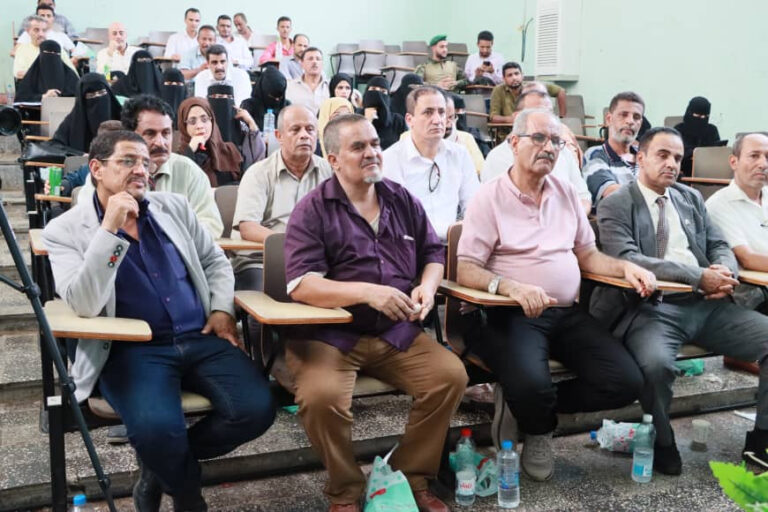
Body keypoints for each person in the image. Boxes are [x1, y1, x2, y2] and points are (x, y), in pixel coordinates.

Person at [42, 129, 275, 511]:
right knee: (156, 430)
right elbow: (84, 303)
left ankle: (157, 467)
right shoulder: (64, 230)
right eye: (128, 161)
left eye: (145, 163)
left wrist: (221, 309)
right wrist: (109, 230)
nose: (141, 170)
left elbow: (215, 261)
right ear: (96, 169)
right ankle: (187, 495)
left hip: (198, 336)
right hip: (132, 350)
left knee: (256, 409)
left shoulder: (173, 207)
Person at [284, 113, 467, 512]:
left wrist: (427, 287)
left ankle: (407, 477)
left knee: (449, 376)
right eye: (358, 147)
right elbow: (302, 285)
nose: (372, 153)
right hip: (331, 335)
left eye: (375, 144)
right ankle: (345, 490)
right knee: (320, 397)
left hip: (394, 330)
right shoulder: (313, 209)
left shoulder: (400, 199)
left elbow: (433, 254)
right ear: (334, 160)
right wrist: (368, 292)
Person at [457, 107, 651, 481]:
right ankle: (538, 425)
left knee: (626, 380)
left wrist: (624, 268)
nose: (549, 147)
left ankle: (531, 410)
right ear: (514, 143)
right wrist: (511, 286)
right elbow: (466, 268)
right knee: (532, 384)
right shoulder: (489, 196)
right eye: (539, 138)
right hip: (511, 312)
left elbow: (588, 255)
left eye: (556, 141)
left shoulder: (565, 192)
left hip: (564, 311)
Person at [595, 126, 768, 474]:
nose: (672, 163)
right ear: (640, 157)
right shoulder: (617, 204)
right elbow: (629, 258)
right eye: (663, 155)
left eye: (677, 157)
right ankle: (662, 440)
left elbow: (718, 244)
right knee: (656, 365)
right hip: (653, 308)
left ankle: (762, 438)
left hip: (707, 305)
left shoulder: (689, 198)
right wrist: (697, 276)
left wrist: (725, 270)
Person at [78, 94, 224, 238]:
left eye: (166, 133)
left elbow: (211, 225)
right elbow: (86, 224)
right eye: (150, 134)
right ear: (129, 136)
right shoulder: (106, 173)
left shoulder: (189, 171)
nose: (160, 143)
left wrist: (164, 237)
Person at [231, 104, 332, 290]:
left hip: (314, 262)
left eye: (310, 129)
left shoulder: (329, 172)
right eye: (295, 129)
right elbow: (248, 228)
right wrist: (296, 243)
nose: (304, 135)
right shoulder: (259, 173)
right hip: (263, 260)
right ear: (279, 136)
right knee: (263, 293)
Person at [382, 86, 479, 240]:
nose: (437, 120)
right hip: (409, 246)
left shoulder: (459, 154)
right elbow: (393, 218)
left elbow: (474, 205)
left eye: (441, 112)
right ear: (409, 120)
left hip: (453, 244)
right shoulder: (391, 159)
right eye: (428, 112)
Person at [482, 90, 591, 212]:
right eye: (538, 113)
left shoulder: (562, 150)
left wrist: (572, 219)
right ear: (517, 117)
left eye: (550, 113)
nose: (546, 119)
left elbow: (583, 197)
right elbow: (502, 209)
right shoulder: (497, 158)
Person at [706, 133, 768, 310]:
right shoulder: (719, 204)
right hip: (752, 295)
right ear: (734, 162)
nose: (763, 164)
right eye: (754, 156)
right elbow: (747, 258)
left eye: (767, 157)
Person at [582, 91, 645, 206]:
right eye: (624, 115)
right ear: (608, 119)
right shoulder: (595, 154)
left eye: (636, 117)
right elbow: (611, 192)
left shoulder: (646, 157)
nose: (630, 121)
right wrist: (652, 193)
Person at [177, 97, 243, 186]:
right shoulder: (178, 158)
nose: (200, 126)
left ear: (212, 121)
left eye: (204, 120)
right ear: (184, 126)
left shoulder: (229, 151)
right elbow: (179, 183)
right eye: (192, 121)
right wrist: (190, 150)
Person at [52, 73, 122, 153]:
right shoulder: (72, 121)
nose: (97, 97)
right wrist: (79, 155)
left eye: (102, 93)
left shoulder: (122, 117)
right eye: (91, 95)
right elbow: (54, 145)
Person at [489, 62, 566, 124]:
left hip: (531, 131)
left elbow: (560, 91)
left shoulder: (532, 87)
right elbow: (493, 117)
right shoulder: (498, 90)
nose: (514, 78)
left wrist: (562, 117)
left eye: (516, 74)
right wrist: (509, 119)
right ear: (504, 79)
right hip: (506, 133)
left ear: (522, 75)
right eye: (510, 75)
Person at [675, 96, 722, 176]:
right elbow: (679, 153)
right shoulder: (679, 130)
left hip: (709, 171)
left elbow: (717, 152)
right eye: (698, 115)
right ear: (689, 113)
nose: (702, 119)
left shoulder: (712, 130)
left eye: (705, 116)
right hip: (685, 172)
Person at [361, 76, 406, 150]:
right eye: (373, 89)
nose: (378, 94)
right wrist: (367, 121)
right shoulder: (357, 117)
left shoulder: (397, 121)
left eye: (383, 91)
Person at [241, 66, 288, 131]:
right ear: (263, 91)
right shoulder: (249, 106)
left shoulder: (287, 107)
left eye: (280, 96)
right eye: (273, 96)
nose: (277, 99)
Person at [285, 47, 329, 115]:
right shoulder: (290, 87)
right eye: (310, 59)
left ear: (322, 63)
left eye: (318, 59)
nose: (315, 62)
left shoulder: (330, 86)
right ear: (301, 64)